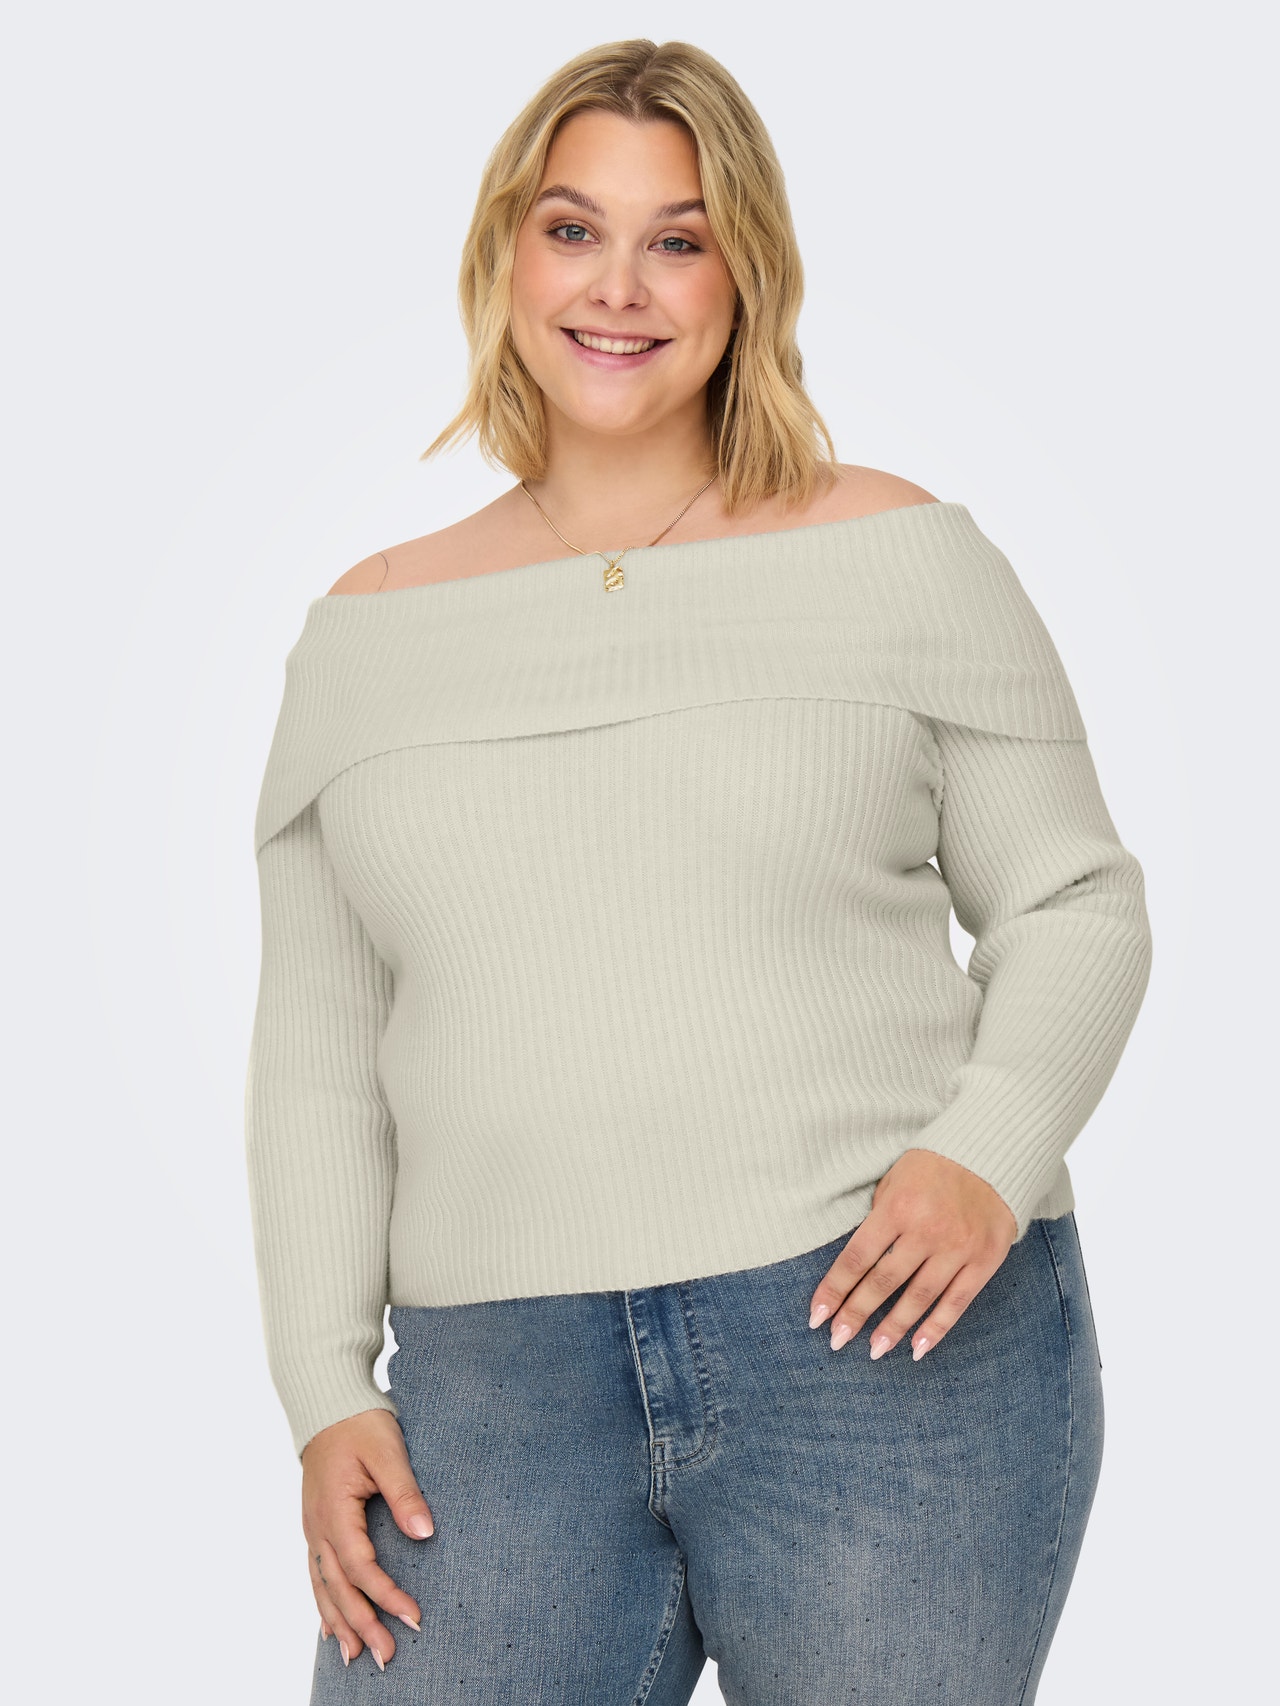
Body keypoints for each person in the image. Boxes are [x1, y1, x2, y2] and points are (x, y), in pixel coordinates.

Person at [244, 37, 1153, 1705]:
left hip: (878, 1337)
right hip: (493, 1388)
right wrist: (323, 1386)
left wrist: (986, 1148)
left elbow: (1074, 899)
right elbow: (317, 1054)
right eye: (573, 229)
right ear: (507, 255)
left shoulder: (902, 555)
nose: (620, 286)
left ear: (748, 275)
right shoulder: (363, 635)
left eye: (678, 238)